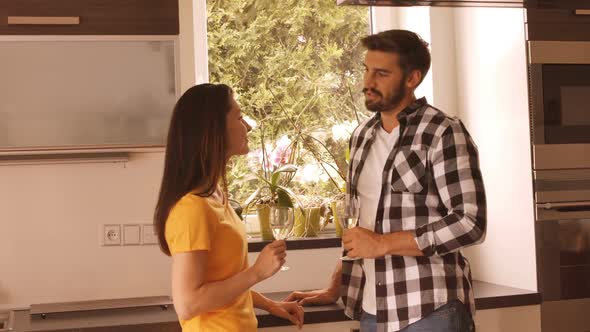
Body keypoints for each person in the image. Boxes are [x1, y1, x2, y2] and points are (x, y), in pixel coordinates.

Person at [285, 29, 487, 332]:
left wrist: (383, 244)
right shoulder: (362, 136)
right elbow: (362, 223)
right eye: (366, 70)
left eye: (381, 73)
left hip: (429, 310)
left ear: (412, 78)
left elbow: (470, 223)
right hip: (372, 312)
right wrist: (335, 287)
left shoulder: (443, 131)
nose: (368, 83)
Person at [154, 83, 304, 331]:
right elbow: (188, 303)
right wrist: (257, 272)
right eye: (239, 116)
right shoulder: (192, 208)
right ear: (214, 129)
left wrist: (268, 304)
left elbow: (221, 281)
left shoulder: (216, 196)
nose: (248, 126)